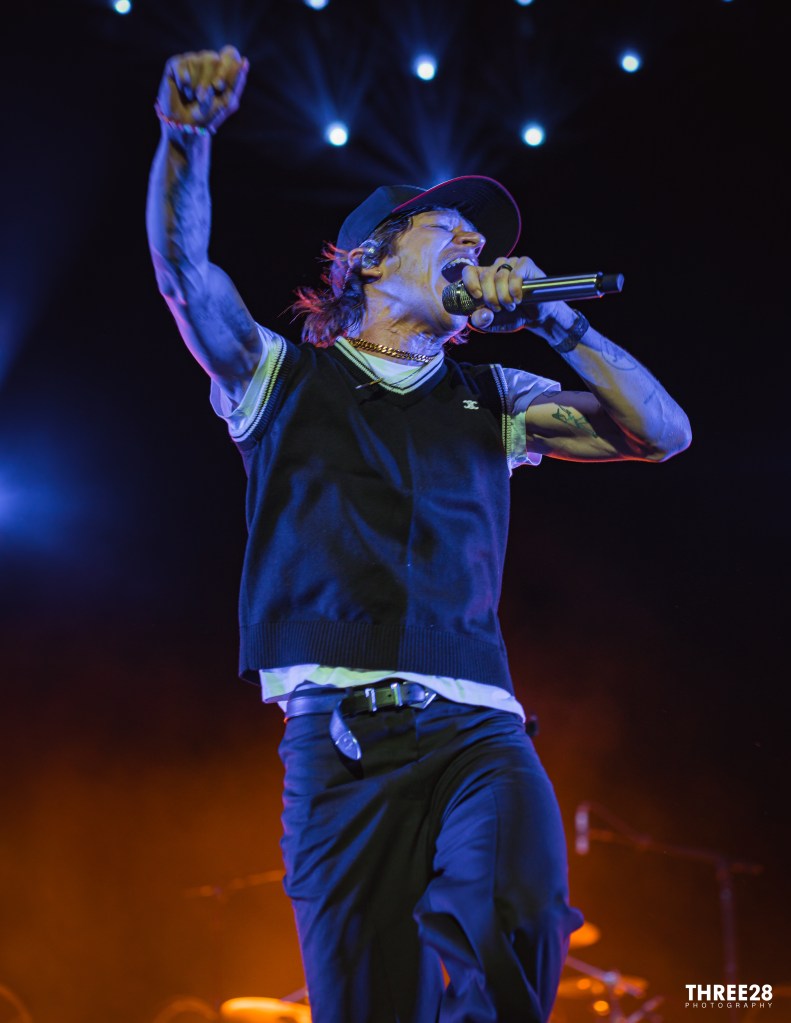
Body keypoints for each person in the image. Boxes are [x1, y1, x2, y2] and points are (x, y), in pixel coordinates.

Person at [146, 45, 691, 1023]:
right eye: (451, 231)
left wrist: (557, 325)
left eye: (482, 242)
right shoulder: (278, 379)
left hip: (479, 727)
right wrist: (185, 137)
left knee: (517, 914)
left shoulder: (494, 396)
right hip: (339, 746)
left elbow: (661, 433)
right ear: (368, 258)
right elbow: (186, 275)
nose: (475, 247)